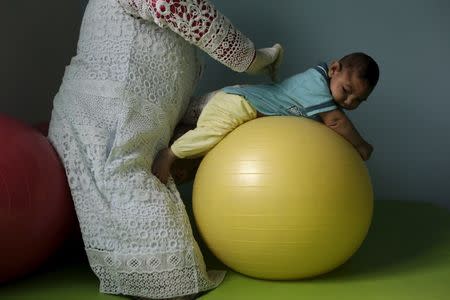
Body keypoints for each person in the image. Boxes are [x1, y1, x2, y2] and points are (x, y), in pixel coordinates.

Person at [47, 0, 283, 299]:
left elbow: (169, 84)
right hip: (103, 118)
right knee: (167, 263)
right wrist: (254, 58)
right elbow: (175, 7)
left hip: (129, 119)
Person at [152, 52, 380, 184]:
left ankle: (182, 156)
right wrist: (360, 144)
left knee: (209, 154)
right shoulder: (316, 84)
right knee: (209, 136)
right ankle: (169, 154)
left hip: (245, 104)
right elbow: (336, 122)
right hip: (239, 104)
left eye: (358, 100)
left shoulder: (323, 97)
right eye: (347, 90)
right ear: (334, 69)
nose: (349, 101)